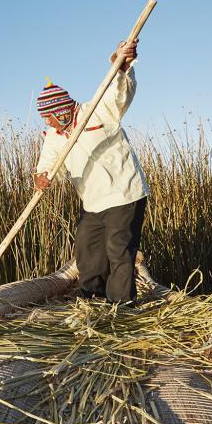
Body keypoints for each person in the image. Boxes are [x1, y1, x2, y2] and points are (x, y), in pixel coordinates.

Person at [33, 40, 149, 303]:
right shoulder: (54, 135)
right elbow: (49, 164)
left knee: (118, 249)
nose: (46, 121)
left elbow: (119, 92)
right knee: (87, 249)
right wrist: (42, 177)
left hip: (124, 193)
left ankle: (121, 306)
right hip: (93, 200)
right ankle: (91, 299)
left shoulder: (96, 111)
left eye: (48, 116)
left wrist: (122, 65)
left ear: (60, 110)